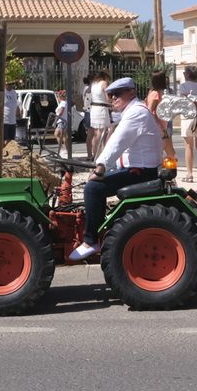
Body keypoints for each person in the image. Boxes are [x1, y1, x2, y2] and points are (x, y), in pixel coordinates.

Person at [68, 77, 167, 261]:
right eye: (111, 95)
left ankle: (91, 240)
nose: (113, 98)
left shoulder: (136, 113)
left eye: (117, 94)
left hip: (141, 173)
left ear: (131, 93)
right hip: (137, 169)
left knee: (93, 188)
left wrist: (100, 168)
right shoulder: (132, 111)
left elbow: (117, 143)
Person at [145, 71, 177, 164]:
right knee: (167, 153)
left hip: (161, 126)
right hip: (159, 127)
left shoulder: (155, 92)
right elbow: (150, 111)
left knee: (170, 152)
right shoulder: (156, 94)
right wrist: (162, 129)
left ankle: (170, 174)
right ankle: (168, 174)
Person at [87, 72, 111, 159]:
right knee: (102, 133)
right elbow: (108, 98)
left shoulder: (94, 84)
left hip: (94, 109)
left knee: (95, 133)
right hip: (102, 109)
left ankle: (95, 155)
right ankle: (101, 155)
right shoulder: (104, 83)